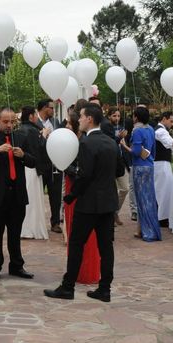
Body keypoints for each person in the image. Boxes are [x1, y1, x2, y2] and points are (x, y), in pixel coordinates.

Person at [44, 103, 123, 302]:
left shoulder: (87, 144)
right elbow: (120, 171)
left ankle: (68, 286)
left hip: (88, 203)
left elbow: (85, 175)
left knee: (77, 243)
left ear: (89, 119)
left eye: (80, 116)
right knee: (106, 247)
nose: (78, 119)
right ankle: (105, 289)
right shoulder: (111, 142)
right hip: (108, 202)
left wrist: (72, 195)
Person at [0, 107, 36, 281]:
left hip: (17, 194)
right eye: (5, 121)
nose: (9, 125)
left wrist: (23, 155)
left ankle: (17, 266)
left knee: (15, 234)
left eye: (12, 121)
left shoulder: (22, 138)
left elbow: (34, 162)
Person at [63, 109, 100, 284]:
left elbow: (82, 171)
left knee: (80, 234)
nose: (67, 125)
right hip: (75, 186)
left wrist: (65, 167)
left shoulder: (82, 143)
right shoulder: (71, 142)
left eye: (70, 123)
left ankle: (83, 271)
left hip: (78, 189)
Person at [122, 106, 161, 242]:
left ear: (136, 117)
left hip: (139, 167)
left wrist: (124, 145)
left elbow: (136, 151)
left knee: (141, 199)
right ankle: (143, 228)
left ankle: (146, 230)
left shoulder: (137, 131)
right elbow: (153, 150)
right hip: (150, 166)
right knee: (149, 197)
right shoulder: (150, 129)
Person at [18, 106, 49, 240]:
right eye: (35, 115)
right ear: (31, 116)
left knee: (28, 198)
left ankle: (26, 227)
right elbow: (39, 148)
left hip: (24, 167)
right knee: (32, 198)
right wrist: (44, 136)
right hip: (31, 168)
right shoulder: (32, 131)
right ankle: (30, 228)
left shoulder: (20, 129)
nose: (37, 118)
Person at [36, 99, 63, 234]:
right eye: (51, 108)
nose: (53, 110)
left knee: (56, 195)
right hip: (41, 165)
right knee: (37, 195)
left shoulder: (55, 122)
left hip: (55, 165)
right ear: (44, 108)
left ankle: (56, 222)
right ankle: (37, 222)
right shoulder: (35, 122)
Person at [154, 112, 173, 226]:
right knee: (163, 190)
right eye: (171, 121)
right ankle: (162, 218)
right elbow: (170, 142)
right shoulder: (160, 130)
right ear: (164, 119)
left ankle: (162, 216)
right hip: (160, 164)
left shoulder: (161, 130)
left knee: (163, 189)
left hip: (162, 163)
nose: (172, 124)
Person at [107, 107, 129, 226]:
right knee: (111, 191)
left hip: (120, 162)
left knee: (125, 188)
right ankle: (110, 216)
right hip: (110, 162)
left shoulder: (121, 128)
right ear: (109, 116)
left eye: (118, 116)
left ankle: (115, 211)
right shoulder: (105, 127)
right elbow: (110, 142)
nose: (116, 118)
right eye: (114, 116)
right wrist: (119, 137)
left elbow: (124, 145)